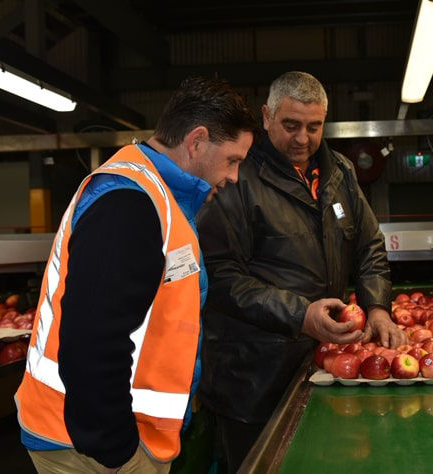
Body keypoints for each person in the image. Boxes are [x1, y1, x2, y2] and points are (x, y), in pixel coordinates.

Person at [15, 76, 258, 474]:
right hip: (88, 447)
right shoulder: (129, 202)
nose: (233, 176)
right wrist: (117, 451)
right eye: (232, 159)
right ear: (196, 141)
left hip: (110, 436)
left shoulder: (160, 197)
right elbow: (92, 338)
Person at [196, 71, 406, 472]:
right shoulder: (237, 178)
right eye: (290, 125)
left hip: (325, 365)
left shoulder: (340, 173)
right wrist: (300, 314)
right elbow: (220, 276)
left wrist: (376, 307)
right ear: (266, 117)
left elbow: (369, 247)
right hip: (254, 380)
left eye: (314, 127)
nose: (303, 139)